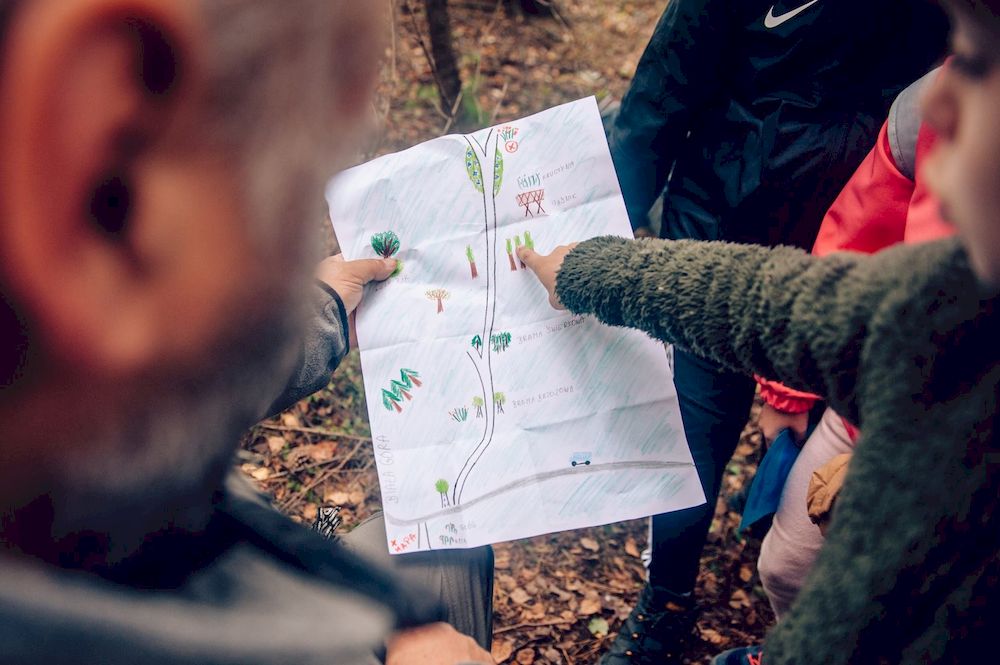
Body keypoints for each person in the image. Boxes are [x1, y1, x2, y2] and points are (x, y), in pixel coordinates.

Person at [0, 1, 493, 663]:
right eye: (301, 191)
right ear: (109, 175)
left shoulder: (63, 428)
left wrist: (322, 307)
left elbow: (160, 360)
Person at [516, 0, 1000, 659]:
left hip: (838, 249)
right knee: (693, 436)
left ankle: (773, 489)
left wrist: (795, 395)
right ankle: (667, 598)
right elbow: (656, 107)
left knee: (802, 498)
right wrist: (600, 239)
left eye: (970, 66)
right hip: (717, 220)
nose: (935, 111)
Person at [754, 66, 954, 620]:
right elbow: (851, 248)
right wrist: (788, 391)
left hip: (964, 459)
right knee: (786, 569)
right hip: (868, 411)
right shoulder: (937, 100)